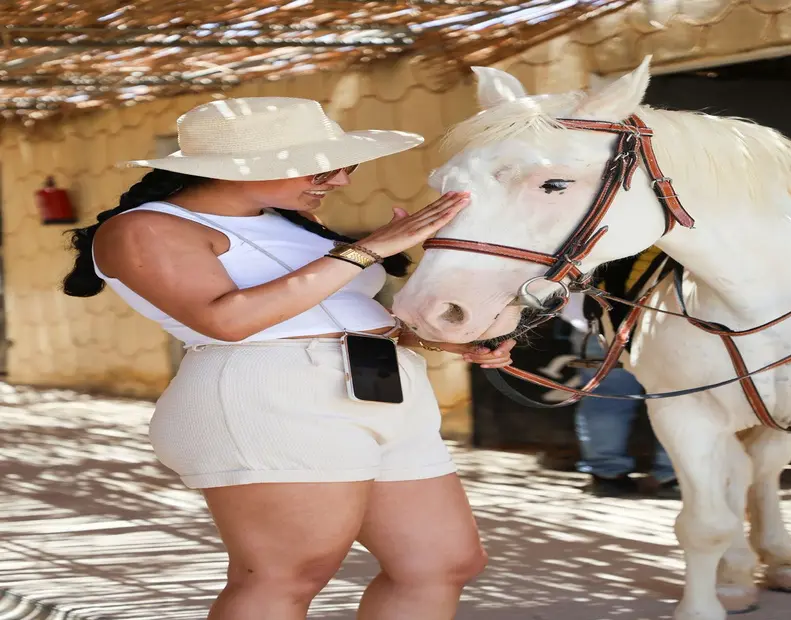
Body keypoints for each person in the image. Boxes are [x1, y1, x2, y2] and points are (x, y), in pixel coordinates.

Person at [61, 97, 516, 620]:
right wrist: (369, 249)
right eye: (322, 167)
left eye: (345, 164)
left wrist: (439, 340)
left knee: (440, 563)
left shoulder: (296, 222)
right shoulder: (143, 229)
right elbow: (225, 321)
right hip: (267, 395)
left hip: (380, 384)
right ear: (241, 166)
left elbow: (329, 313)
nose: (339, 180)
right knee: (286, 575)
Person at [564, 251, 679, 499]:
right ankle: (674, 475)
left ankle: (607, 475)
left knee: (606, 398)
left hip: (599, 313)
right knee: (678, 398)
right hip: (672, 317)